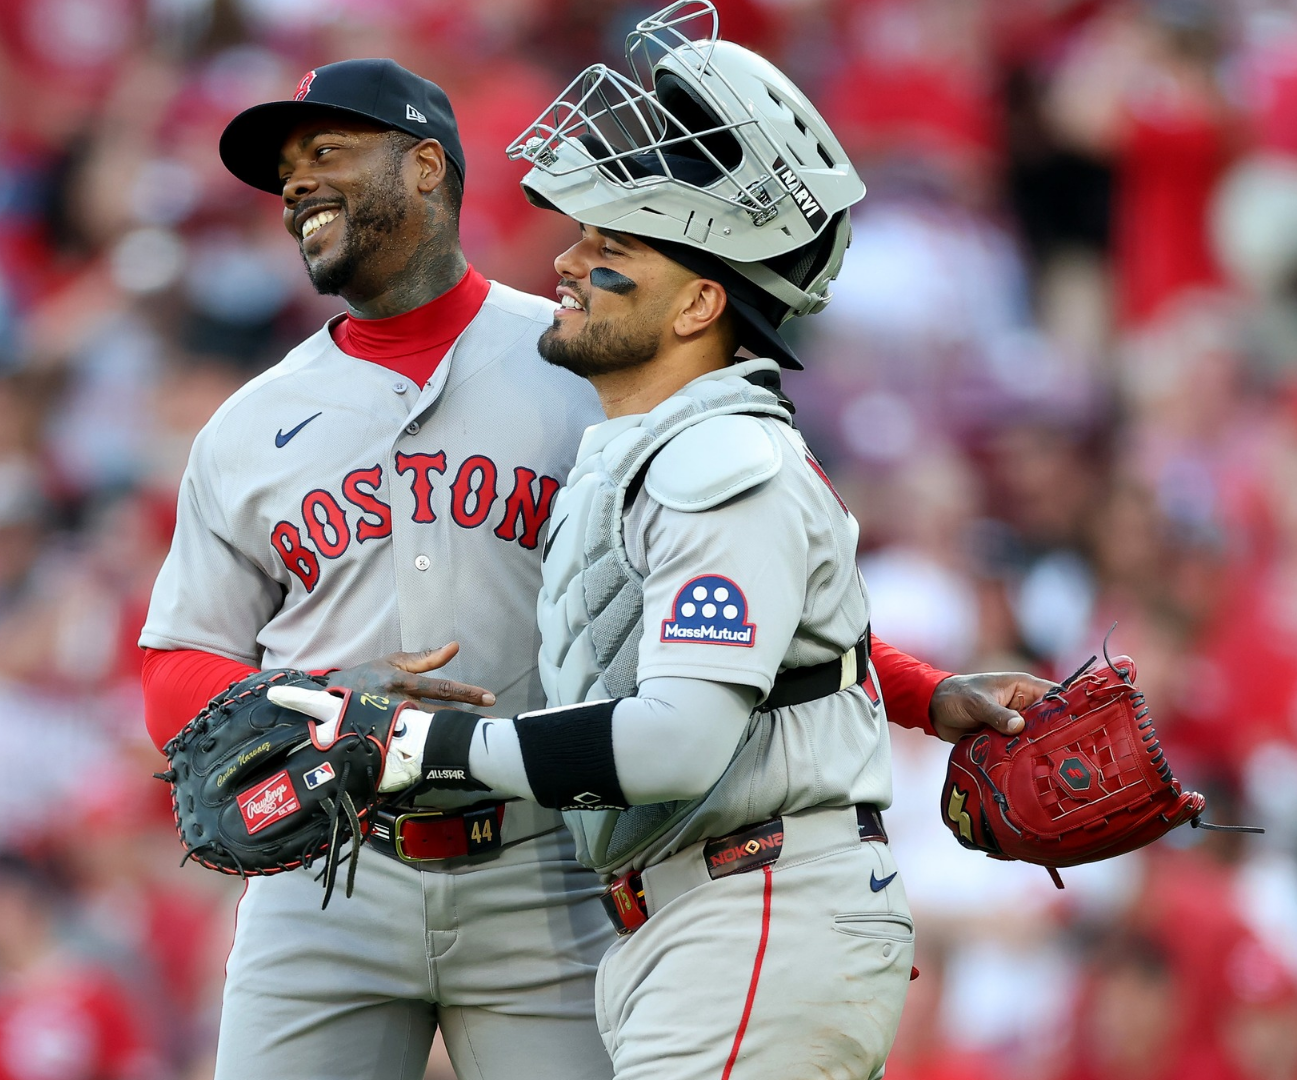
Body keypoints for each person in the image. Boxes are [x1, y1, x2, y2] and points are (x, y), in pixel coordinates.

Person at [142, 51, 1043, 1080]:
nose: (296, 179)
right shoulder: (246, 426)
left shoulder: (595, 353)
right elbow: (175, 671)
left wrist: (922, 694)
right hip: (334, 872)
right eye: (286, 167)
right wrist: (330, 706)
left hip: (550, 860)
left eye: (328, 149)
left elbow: (739, 601)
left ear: (427, 167)